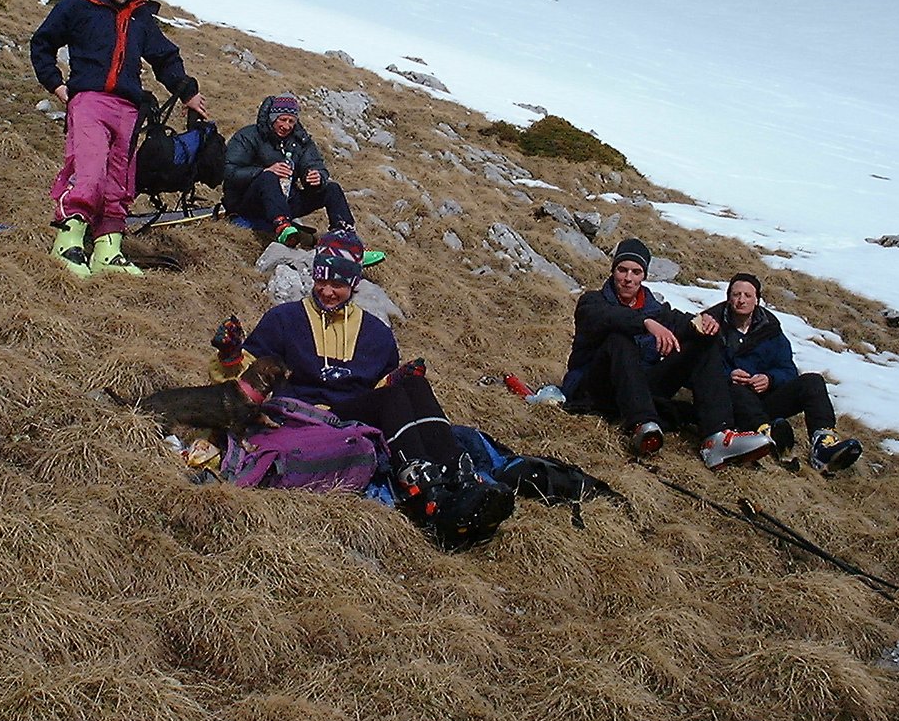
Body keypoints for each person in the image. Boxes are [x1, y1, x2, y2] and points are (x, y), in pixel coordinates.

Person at [210, 229, 515, 548]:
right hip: (301, 416)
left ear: (354, 284)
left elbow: (378, 388)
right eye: (321, 280)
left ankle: (460, 477)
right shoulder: (283, 320)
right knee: (393, 397)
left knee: (412, 385)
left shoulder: (376, 333)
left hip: (352, 414)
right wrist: (230, 356)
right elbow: (248, 380)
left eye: (337, 284)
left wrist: (394, 380)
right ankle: (427, 497)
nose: (327, 291)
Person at [30, 0, 209, 278]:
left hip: (128, 109)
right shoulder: (79, 5)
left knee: (119, 181)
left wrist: (187, 91)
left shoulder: (140, 16)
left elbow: (164, 57)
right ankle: (67, 243)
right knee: (89, 169)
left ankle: (107, 251)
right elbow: (43, 42)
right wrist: (55, 84)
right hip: (89, 101)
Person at [560, 238, 774, 470]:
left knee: (703, 342)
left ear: (644, 276)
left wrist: (703, 323)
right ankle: (642, 425)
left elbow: (680, 322)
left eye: (636, 272)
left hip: (639, 390)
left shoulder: (654, 308)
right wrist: (646, 323)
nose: (628, 278)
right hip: (594, 390)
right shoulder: (592, 301)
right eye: (622, 270)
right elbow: (608, 318)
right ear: (613, 272)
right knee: (619, 339)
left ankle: (717, 437)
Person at [706, 272, 864, 474]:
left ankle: (823, 445)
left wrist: (770, 379)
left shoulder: (770, 329)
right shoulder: (713, 325)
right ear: (728, 297)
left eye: (747, 295)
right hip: (732, 403)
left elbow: (788, 370)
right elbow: (702, 365)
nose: (741, 300)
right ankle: (768, 436)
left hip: (767, 398)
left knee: (812, 381)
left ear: (757, 300)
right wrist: (729, 375)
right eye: (736, 294)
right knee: (737, 390)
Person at [223, 94, 353, 247]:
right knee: (269, 177)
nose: (286, 126)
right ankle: (282, 226)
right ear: (272, 118)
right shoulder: (248, 136)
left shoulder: (300, 141)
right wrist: (264, 171)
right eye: (282, 120)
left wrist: (316, 177)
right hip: (248, 202)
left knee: (332, 189)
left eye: (291, 121)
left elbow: (315, 165)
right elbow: (228, 171)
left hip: (287, 200)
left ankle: (346, 237)